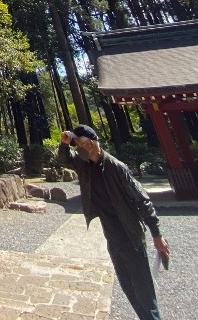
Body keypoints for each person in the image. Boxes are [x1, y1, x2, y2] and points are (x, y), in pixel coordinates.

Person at [57, 125, 170, 320]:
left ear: (90, 144)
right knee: (128, 288)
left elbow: (143, 200)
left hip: (131, 235)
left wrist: (157, 235)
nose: (76, 147)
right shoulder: (85, 165)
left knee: (143, 291)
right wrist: (64, 144)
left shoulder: (116, 168)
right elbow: (63, 160)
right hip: (112, 237)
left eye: (79, 143)